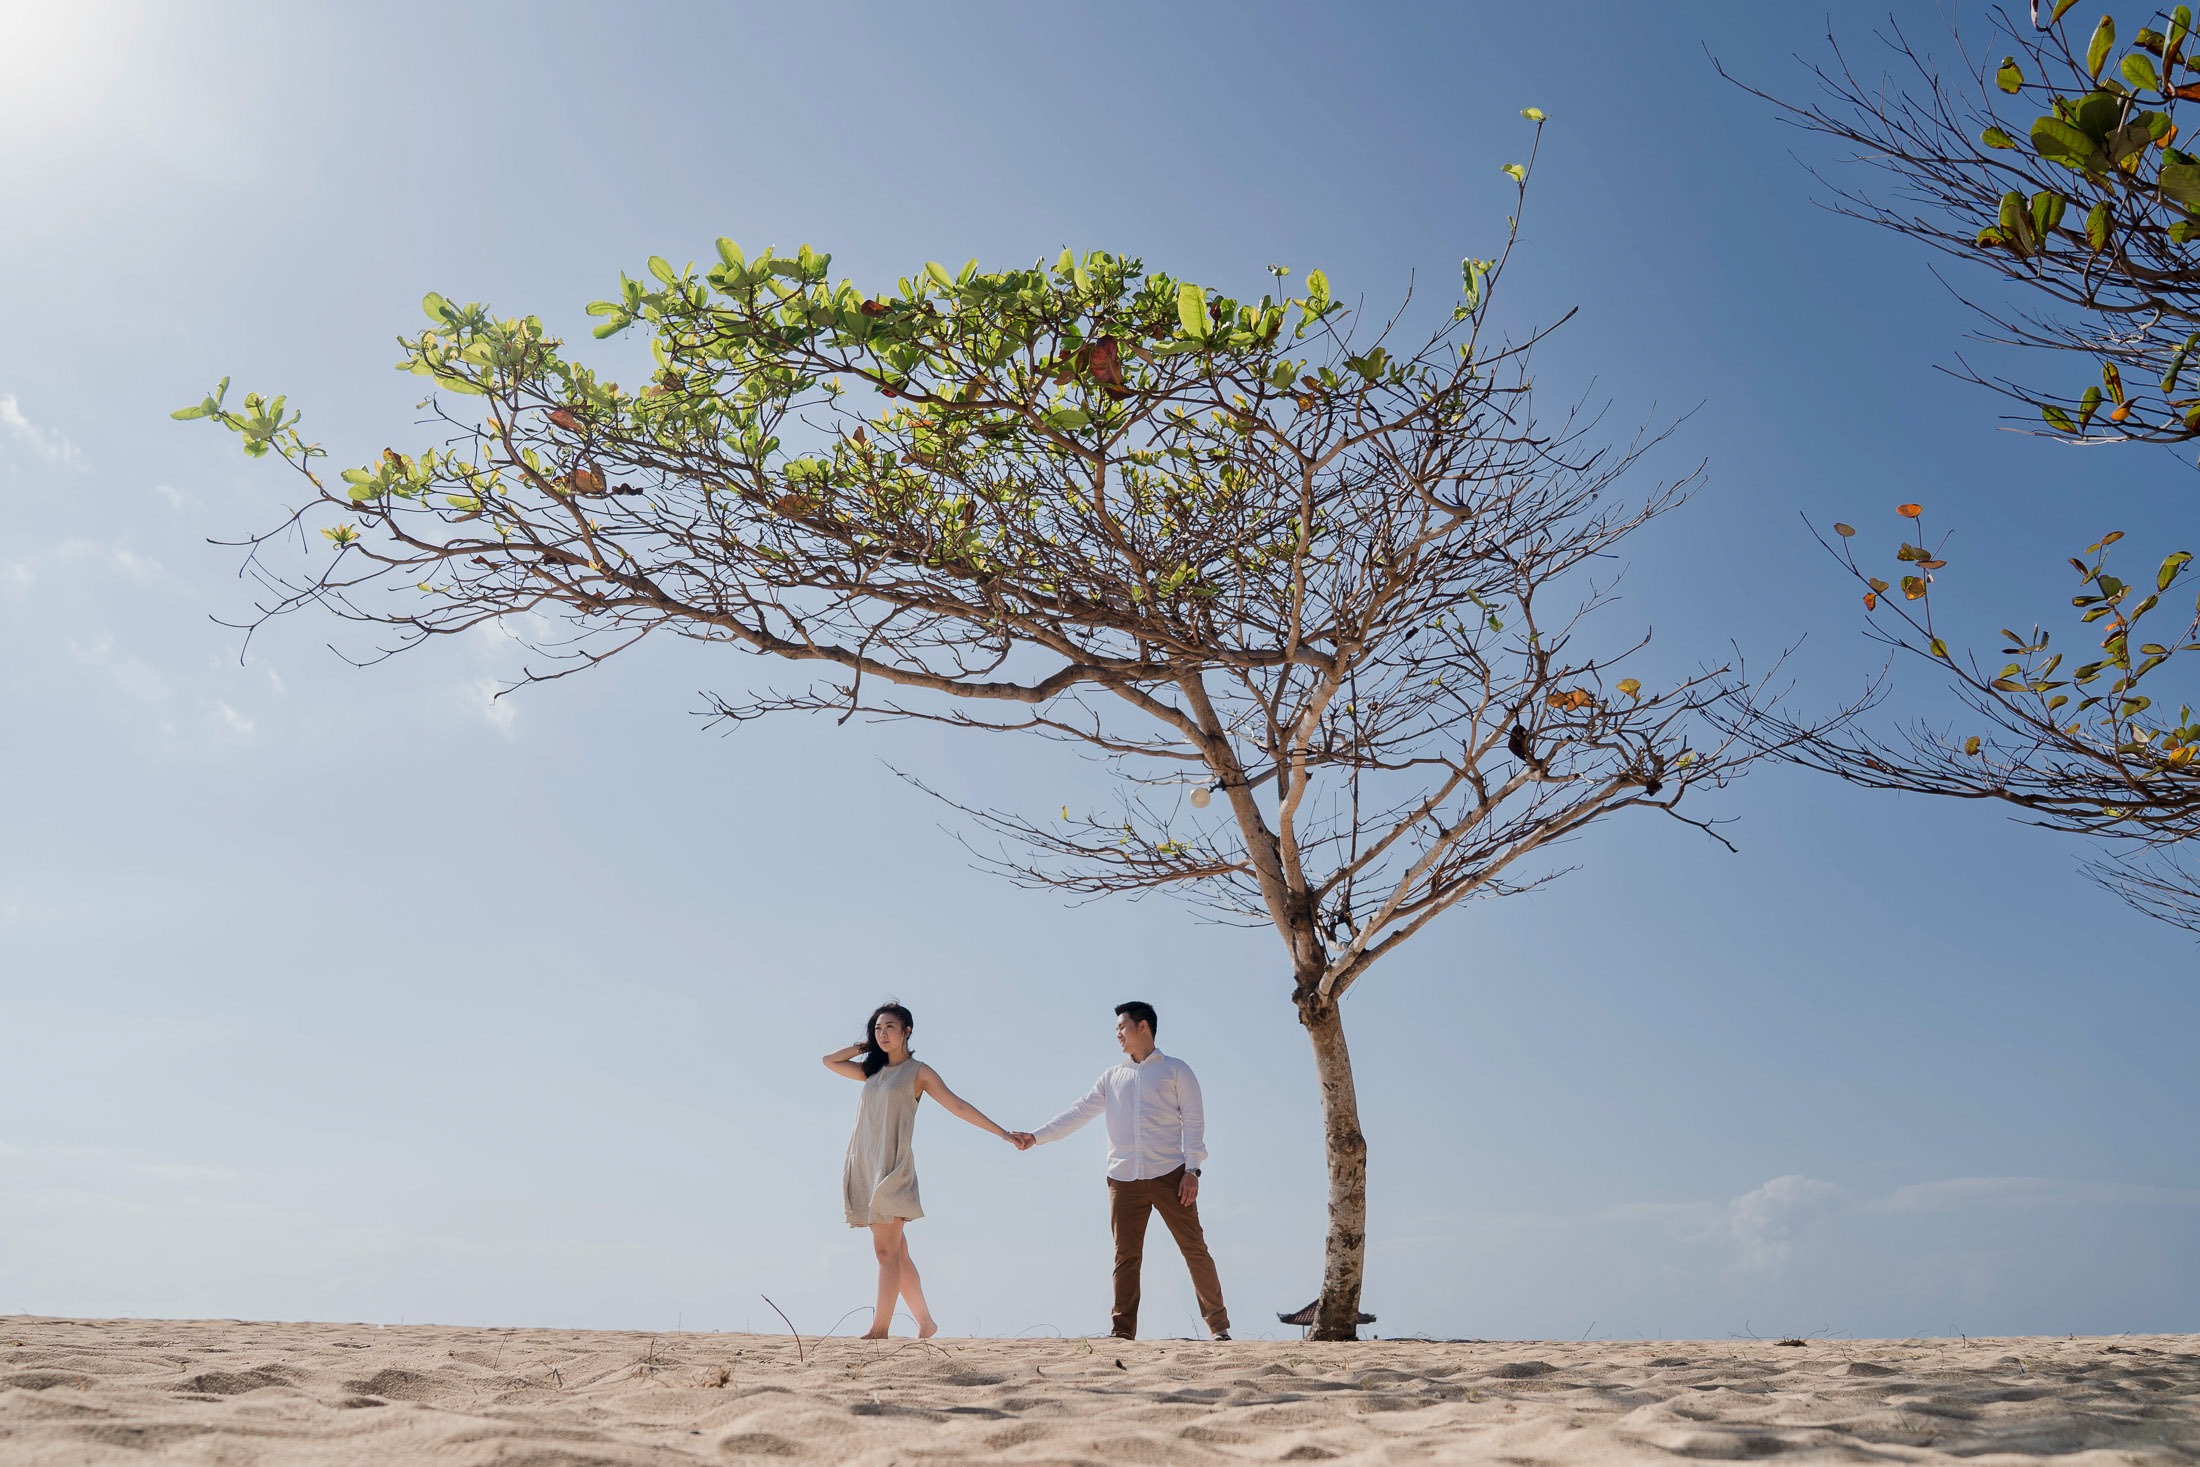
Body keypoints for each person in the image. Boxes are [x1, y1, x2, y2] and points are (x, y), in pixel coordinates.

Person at [1020, 1001, 1230, 1341]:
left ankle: (1219, 1328)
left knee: (1194, 1248)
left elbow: (1194, 1121)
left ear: (1142, 1027)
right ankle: (1122, 1331)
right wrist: (1037, 1136)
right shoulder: (1112, 1077)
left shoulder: (1176, 1070)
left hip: (1171, 1175)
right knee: (1125, 1257)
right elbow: (1078, 1112)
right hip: (1123, 1180)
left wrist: (1193, 1170)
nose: (1117, 1034)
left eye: (1122, 1027)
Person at [823, 1002, 1030, 1340]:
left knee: (885, 1252)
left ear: (907, 1031)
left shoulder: (918, 1073)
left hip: (893, 1168)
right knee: (898, 1253)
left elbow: (958, 1105)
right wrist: (867, 1046)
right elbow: (829, 1061)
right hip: (866, 1164)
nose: (883, 1033)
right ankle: (926, 1323)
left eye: (890, 1027)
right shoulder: (871, 1070)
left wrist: (1003, 1133)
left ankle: (880, 1329)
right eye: (877, 1028)